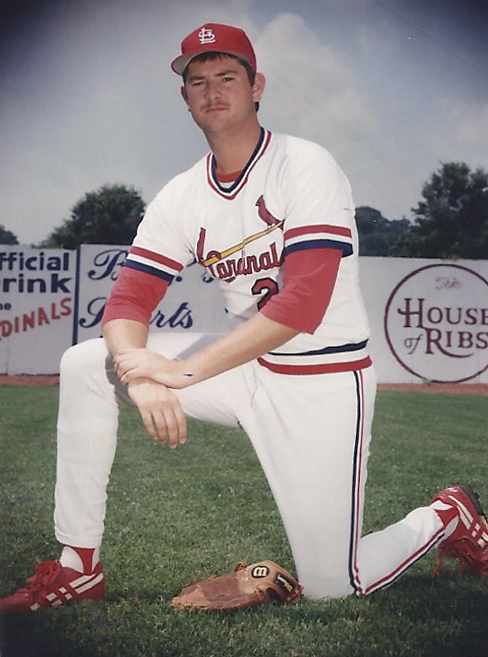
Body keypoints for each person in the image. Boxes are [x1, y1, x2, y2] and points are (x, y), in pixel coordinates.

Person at [1, 22, 487, 613]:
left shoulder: (306, 165)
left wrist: (174, 375)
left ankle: (446, 514)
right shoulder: (181, 196)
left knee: (337, 585)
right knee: (86, 362)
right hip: (246, 367)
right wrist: (135, 366)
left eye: (227, 76)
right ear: (185, 99)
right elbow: (128, 302)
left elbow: (300, 305)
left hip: (324, 380)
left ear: (256, 86)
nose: (212, 90)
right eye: (197, 81)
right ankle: (79, 566)